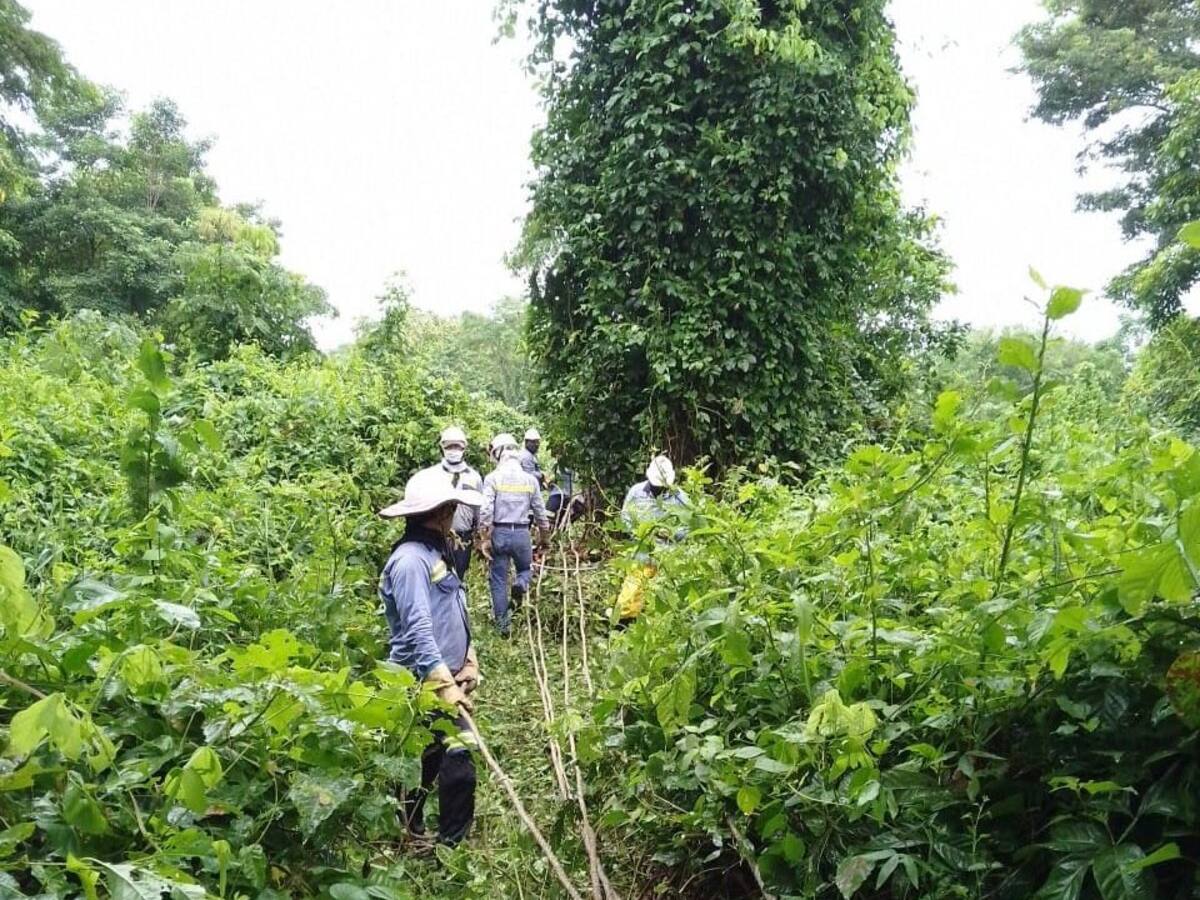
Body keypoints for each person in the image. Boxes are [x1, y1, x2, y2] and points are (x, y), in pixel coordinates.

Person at [378, 467, 483, 848]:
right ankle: (428, 839)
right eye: (452, 508)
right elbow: (419, 631)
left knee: (438, 757)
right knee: (439, 760)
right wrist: (445, 685)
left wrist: (469, 659)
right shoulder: (410, 562)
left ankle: (435, 839)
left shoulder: (436, 552)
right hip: (418, 683)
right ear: (441, 512)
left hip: (445, 676)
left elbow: (454, 609)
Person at [478, 433, 551, 636]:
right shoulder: (530, 480)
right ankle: (520, 584)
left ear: (497, 453)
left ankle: (503, 627)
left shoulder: (492, 478)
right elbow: (540, 512)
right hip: (521, 533)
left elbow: (485, 511)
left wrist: (485, 538)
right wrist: (545, 538)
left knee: (498, 581)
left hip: (499, 533)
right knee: (526, 570)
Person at [617, 454, 690, 622]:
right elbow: (625, 516)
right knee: (628, 600)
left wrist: (671, 533)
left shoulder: (681, 498)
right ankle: (623, 628)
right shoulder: (636, 492)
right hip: (641, 555)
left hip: (666, 559)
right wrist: (639, 532)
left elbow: (688, 527)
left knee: (658, 604)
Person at [427, 426, 482, 579]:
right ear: (442, 448)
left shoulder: (474, 477)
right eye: (449, 446)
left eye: (457, 446)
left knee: (458, 577)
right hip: (437, 536)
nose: (453, 450)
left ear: (464, 448)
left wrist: (479, 534)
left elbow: (479, 509)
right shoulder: (433, 475)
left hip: (463, 537)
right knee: (436, 577)